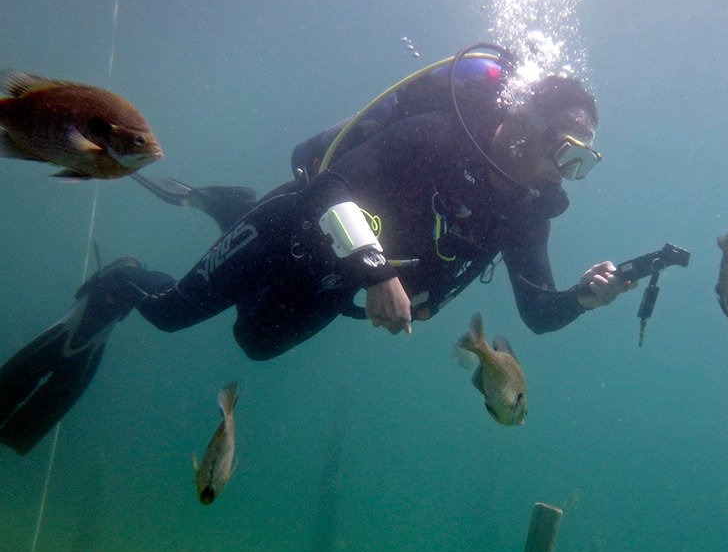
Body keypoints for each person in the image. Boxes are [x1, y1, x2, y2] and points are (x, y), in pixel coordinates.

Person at [0, 45, 633, 454]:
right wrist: (378, 273)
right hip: (292, 227)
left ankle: (226, 206)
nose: (566, 174)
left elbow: (538, 314)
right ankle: (123, 279)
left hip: (334, 284)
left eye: (584, 163)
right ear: (524, 124)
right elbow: (329, 185)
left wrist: (584, 297)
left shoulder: (526, 212)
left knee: (254, 343)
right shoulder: (437, 135)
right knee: (169, 314)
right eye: (568, 152)